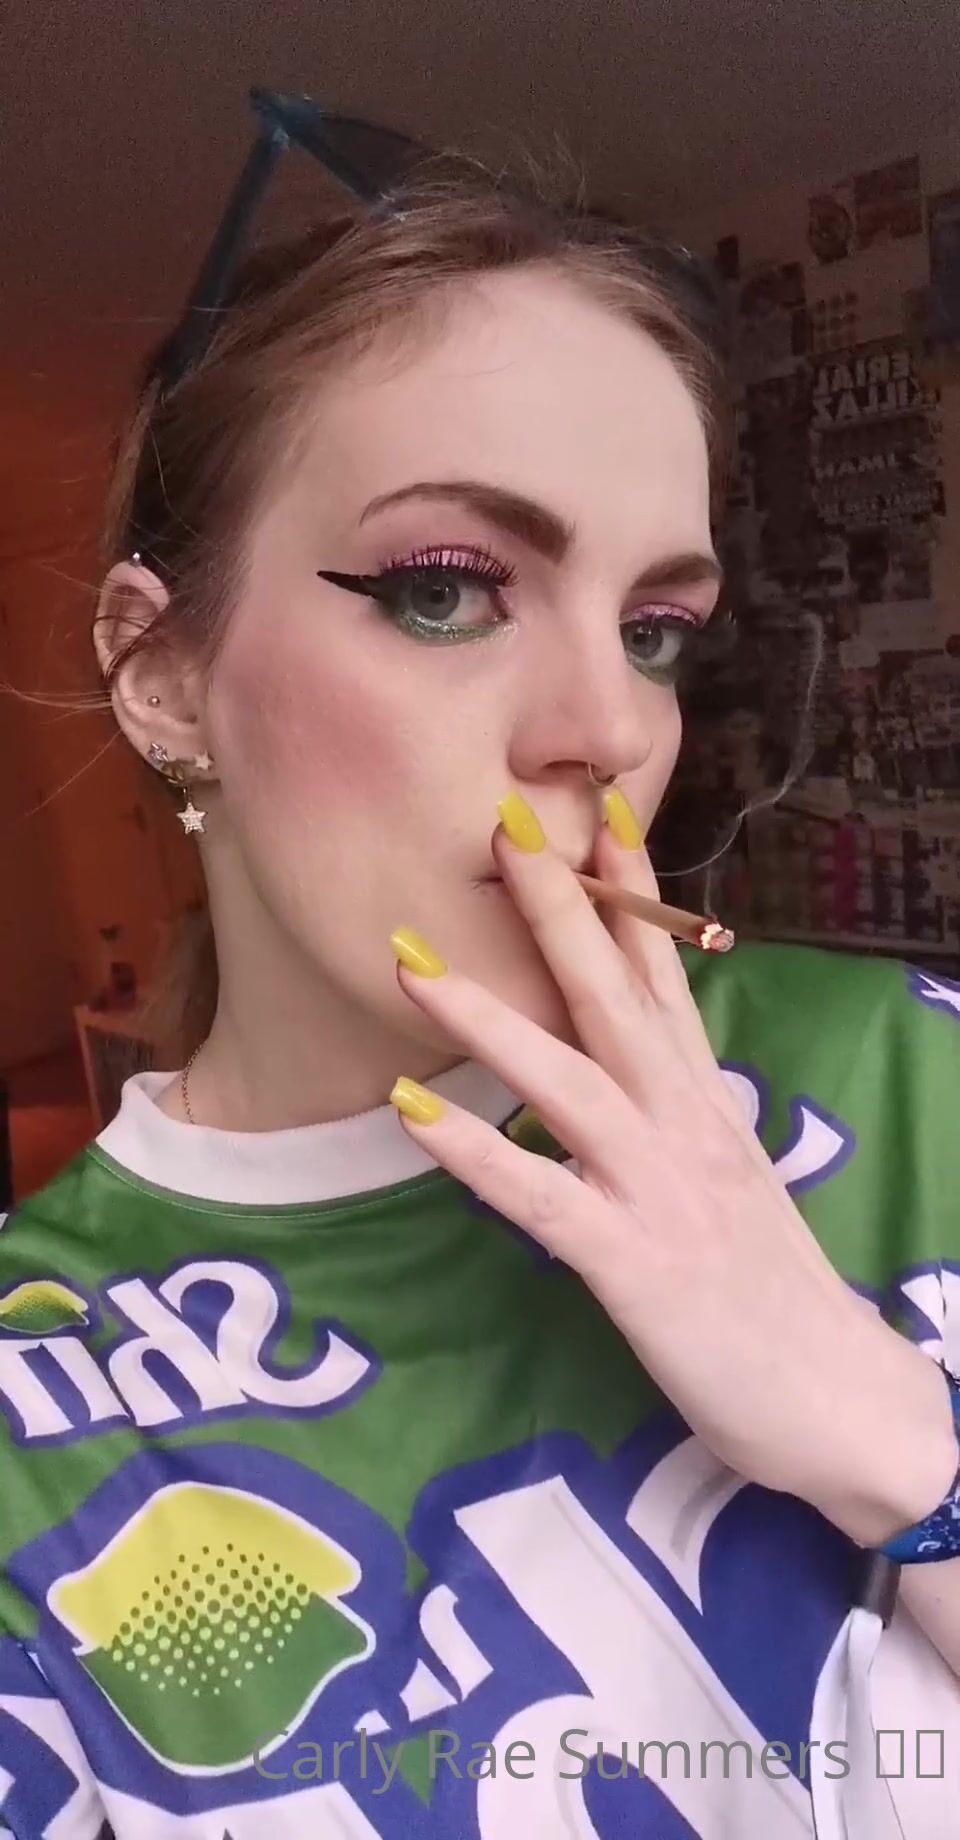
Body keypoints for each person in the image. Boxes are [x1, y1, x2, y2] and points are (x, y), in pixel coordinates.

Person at [1, 110, 959, 1840]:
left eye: (654, 630)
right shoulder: (34, 1403)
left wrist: (899, 1456)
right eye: (448, 592)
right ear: (163, 676)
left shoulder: (915, 1076)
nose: (607, 729)